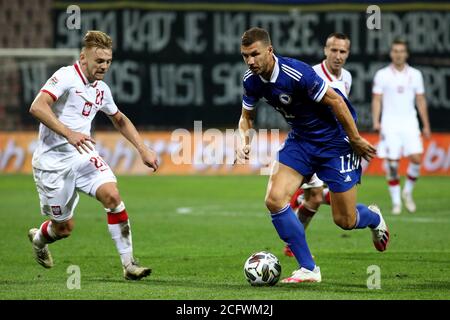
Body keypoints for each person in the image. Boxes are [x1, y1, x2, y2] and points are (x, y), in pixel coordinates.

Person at [236, 27, 389, 283]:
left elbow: (337, 102)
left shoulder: (297, 74)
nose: (250, 61)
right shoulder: (250, 80)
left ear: (270, 51)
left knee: (345, 220)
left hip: (335, 142)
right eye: (245, 56)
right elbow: (246, 116)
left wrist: (355, 139)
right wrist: (243, 139)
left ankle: (373, 217)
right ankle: (309, 268)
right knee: (275, 200)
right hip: (301, 141)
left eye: (255, 54)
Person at [28, 30, 158, 280]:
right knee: (64, 228)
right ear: (83, 57)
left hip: (83, 156)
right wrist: (69, 133)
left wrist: (143, 149)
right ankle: (38, 238)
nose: (104, 66)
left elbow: (119, 119)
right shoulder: (65, 76)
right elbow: (37, 106)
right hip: (52, 164)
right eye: (99, 61)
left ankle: (129, 265)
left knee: (112, 196)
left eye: (108, 61)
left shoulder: (101, 89)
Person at [285, 32, 353, 257]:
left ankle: (293, 243)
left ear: (348, 54)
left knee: (320, 200)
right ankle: (294, 244)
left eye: (343, 51)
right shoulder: (311, 74)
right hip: (308, 143)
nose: (338, 55)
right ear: (325, 50)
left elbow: (340, 113)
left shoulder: (347, 78)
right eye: (334, 50)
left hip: (332, 148)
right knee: (310, 195)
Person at [372, 38, 431, 215]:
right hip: (390, 122)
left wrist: (426, 124)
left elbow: (420, 100)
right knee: (392, 164)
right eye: (395, 51)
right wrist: (376, 120)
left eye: (401, 51)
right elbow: (377, 99)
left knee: (416, 159)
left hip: (409, 121)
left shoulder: (415, 74)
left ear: (406, 54)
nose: (398, 54)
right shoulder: (382, 74)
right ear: (391, 53)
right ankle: (396, 202)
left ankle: (407, 192)